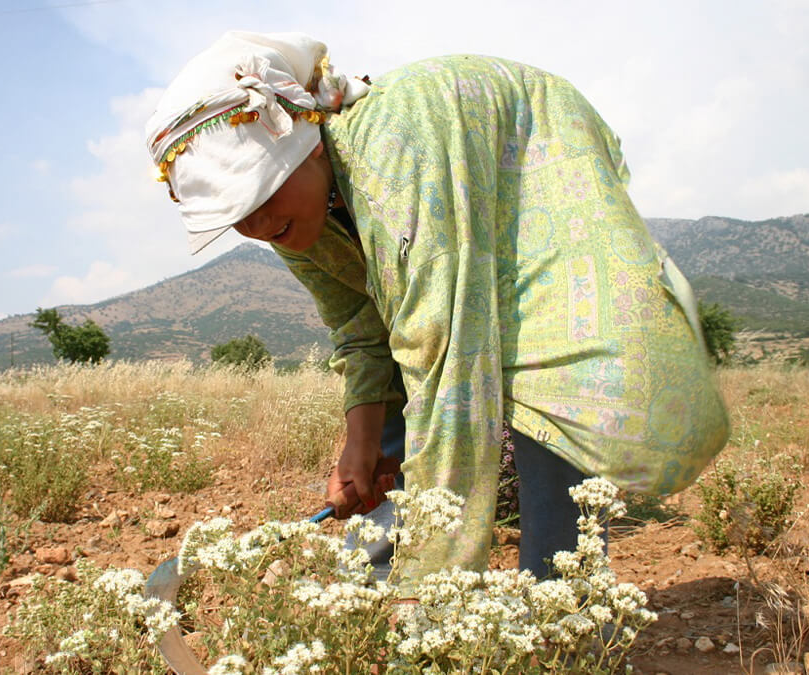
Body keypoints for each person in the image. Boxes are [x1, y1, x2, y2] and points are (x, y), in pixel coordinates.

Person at [146, 31, 729, 581]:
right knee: (402, 405)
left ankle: (558, 614)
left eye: (262, 193)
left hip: (534, 161)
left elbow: (446, 353)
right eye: (235, 215)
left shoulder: (392, 154)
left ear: (305, 143)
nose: (256, 222)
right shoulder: (293, 223)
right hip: (444, 231)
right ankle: (376, 588)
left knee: (545, 390)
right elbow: (361, 328)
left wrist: (432, 578)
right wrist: (360, 446)